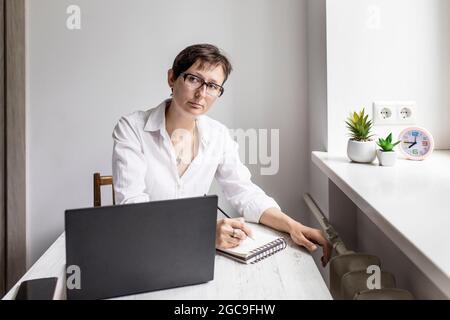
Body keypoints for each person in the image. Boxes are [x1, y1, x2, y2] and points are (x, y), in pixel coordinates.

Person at [112, 44, 331, 267]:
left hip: (192, 258)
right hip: (143, 254)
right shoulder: (132, 128)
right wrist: (204, 233)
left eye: (213, 86)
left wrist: (293, 226)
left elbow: (244, 192)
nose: (201, 94)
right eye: (194, 79)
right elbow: (133, 210)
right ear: (172, 78)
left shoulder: (218, 135)